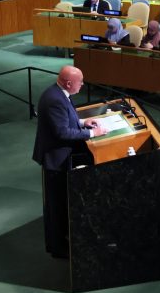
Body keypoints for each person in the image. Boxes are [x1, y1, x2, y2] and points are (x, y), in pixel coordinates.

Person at [33, 66, 106, 257]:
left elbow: (68, 117)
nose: (82, 85)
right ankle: (58, 248)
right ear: (68, 83)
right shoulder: (55, 100)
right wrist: (92, 133)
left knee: (61, 202)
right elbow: (62, 132)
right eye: (79, 82)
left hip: (59, 156)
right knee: (56, 206)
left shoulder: (59, 93)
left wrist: (83, 123)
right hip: (55, 160)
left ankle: (63, 239)